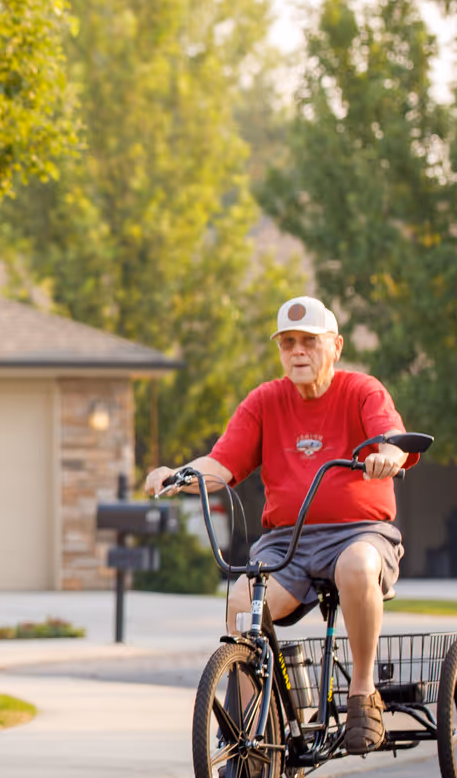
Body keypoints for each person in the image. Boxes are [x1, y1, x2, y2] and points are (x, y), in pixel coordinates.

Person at [144, 296, 417, 754]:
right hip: (285, 543)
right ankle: (253, 734)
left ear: (336, 346)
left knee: (355, 566)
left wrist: (387, 456)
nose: (298, 352)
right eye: (288, 343)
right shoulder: (265, 401)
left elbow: (391, 438)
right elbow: (222, 464)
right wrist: (177, 475)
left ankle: (362, 694)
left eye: (309, 342)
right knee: (239, 602)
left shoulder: (362, 390)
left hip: (359, 533)